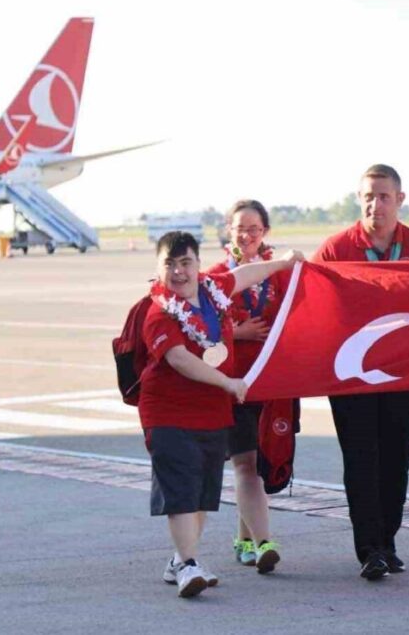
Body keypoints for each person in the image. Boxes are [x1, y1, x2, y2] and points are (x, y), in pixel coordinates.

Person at [139, 230, 301, 598]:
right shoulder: (158, 312)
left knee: (200, 495)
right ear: (158, 268)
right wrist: (228, 382)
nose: (179, 272)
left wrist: (286, 262)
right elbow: (180, 360)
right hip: (168, 413)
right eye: (170, 264)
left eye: (186, 263)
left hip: (212, 413)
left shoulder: (213, 289)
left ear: (198, 265)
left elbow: (245, 275)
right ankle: (188, 565)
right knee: (180, 490)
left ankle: (179, 559)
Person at [312, 164, 409, 581]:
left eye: (385, 196)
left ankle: (389, 542)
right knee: (360, 461)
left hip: (402, 375)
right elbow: (309, 302)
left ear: (400, 200)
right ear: (360, 200)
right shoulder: (337, 248)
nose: (377, 204)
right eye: (369, 196)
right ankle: (368, 549)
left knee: (396, 459)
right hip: (350, 376)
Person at [206, 199, 290, 574]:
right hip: (232, 384)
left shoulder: (280, 275)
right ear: (228, 230)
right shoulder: (214, 277)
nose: (247, 235)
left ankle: (243, 539)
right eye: (240, 228)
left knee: (258, 465)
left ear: (265, 233)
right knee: (245, 463)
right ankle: (264, 542)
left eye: (254, 229)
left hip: (272, 383)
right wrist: (236, 332)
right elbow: (198, 332)